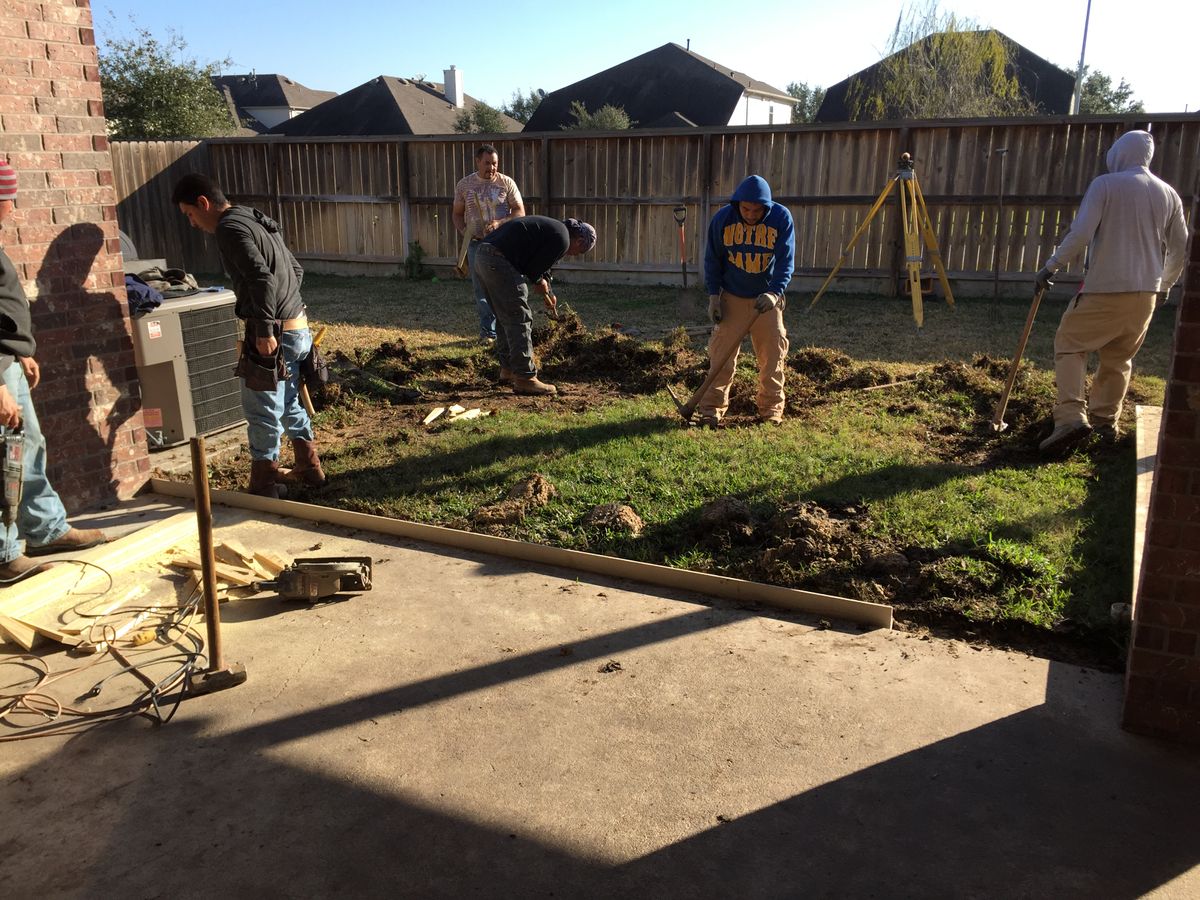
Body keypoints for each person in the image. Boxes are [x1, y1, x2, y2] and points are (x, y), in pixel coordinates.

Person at [171, 173, 325, 498]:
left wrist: (266, 328)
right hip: (298, 328)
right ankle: (309, 467)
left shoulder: (229, 228)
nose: (192, 223)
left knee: (261, 409)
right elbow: (294, 271)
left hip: (274, 334)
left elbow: (261, 279)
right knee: (288, 400)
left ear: (203, 203)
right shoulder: (254, 219)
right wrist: (287, 310)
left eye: (190, 214)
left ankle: (264, 484)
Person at [1034, 130, 1188, 453]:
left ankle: (1070, 417)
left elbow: (1081, 234)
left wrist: (1050, 267)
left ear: (1120, 153)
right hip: (1145, 294)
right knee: (1119, 357)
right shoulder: (1169, 194)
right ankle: (1104, 423)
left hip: (1106, 288)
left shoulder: (1105, 185)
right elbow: (1181, 248)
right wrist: (1164, 285)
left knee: (1069, 343)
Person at [0, 161, 106, 581]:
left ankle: (46, 529)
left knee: (28, 445)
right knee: (4, 459)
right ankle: (5, 553)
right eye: (7, 199)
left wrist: (19, 351)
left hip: (7, 362)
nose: (11, 208)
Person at [699, 175, 795, 426]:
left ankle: (771, 410)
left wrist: (774, 293)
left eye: (757, 210)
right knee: (721, 357)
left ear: (767, 207)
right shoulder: (722, 219)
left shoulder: (781, 218)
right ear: (737, 204)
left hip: (766, 301)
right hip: (731, 296)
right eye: (746, 209)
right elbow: (712, 260)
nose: (751, 215)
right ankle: (711, 408)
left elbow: (786, 261)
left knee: (772, 357)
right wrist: (714, 297)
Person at [473, 216, 596, 396]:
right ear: (579, 241)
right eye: (578, 252)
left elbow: (541, 264)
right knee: (519, 318)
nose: (572, 255)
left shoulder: (555, 230)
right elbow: (533, 270)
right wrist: (539, 281)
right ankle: (525, 378)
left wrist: (548, 290)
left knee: (504, 316)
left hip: (482, 256)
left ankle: (508, 370)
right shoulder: (562, 239)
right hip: (498, 260)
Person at [453, 144, 525, 342]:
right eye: (487, 163)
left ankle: (506, 329)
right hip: (476, 244)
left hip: (502, 244)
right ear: (477, 161)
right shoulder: (465, 185)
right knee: (481, 289)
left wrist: (499, 223)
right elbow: (457, 214)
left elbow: (519, 211)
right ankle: (488, 333)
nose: (491, 168)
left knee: (504, 287)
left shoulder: (506, 183)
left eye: (494, 163)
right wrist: (465, 232)